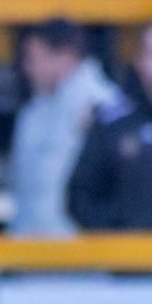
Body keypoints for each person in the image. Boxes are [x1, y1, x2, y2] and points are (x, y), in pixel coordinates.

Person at [8, 19, 121, 237]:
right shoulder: (34, 111)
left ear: (65, 56)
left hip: (80, 242)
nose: (28, 68)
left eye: (34, 58)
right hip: (28, 239)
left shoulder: (106, 104)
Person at [68, 23, 152, 230]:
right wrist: (122, 228)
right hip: (126, 249)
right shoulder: (111, 123)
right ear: (139, 62)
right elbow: (80, 197)